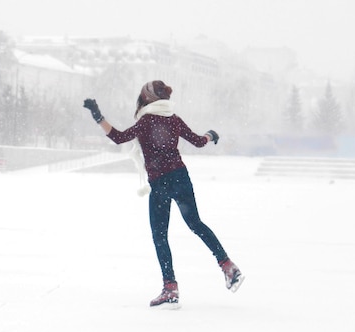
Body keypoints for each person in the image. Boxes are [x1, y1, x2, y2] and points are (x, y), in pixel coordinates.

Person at [83, 80, 244, 307]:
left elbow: (119, 137)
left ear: (147, 99)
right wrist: (210, 135)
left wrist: (98, 117)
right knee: (196, 223)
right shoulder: (173, 119)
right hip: (180, 177)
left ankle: (170, 288)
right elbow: (198, 142)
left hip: (160, 183)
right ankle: (227, 265)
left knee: (160, 236)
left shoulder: (146, 121)